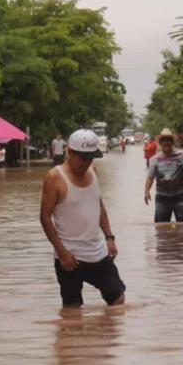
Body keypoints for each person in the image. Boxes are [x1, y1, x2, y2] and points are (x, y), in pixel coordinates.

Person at [40, 129, 125, 308]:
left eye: (90, 157)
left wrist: (109, 237)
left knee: (118, 299)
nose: (86, 162)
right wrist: (62, 252)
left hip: (98, 252)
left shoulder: (93, 170)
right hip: (70, 257)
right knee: (72, 310)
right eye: (82, 157)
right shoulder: (54, 177)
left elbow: (99, 205)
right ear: (69, 151)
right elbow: (45, 218)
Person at [144, 128, 183, 222]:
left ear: (172, 142)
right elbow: (150, 178)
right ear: (160, 143)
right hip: (162, 197)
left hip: (179, 196)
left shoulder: (181, 156)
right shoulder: (154, 159)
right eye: (164, 140)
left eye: (168, 140)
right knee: (161, 228)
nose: (166, 142)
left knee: (182, 227)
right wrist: (146, 192)